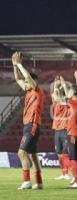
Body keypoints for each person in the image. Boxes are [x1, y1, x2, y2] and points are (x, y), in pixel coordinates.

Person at [12, 52, 44, 190]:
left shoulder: (37, 91)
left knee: (21, 153)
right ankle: (39, 182)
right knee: (32, 155)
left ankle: (27, 181)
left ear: (33, 82)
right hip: (29, 125)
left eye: (27, 82)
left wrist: (20, 64)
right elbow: (18, 78)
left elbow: (27, 78)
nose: (24, 84)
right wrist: (15, 66)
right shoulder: (29, 91)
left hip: (32, 124)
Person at [59, 76, 77, 188]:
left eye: (69, 91)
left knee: (71, 157)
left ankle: (76, 180)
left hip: (73, 132)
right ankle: (75, 178)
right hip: (75, 132)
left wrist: (62, 86)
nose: (67, 93)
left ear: (73, 92)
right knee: (68, 155)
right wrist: (64, 85)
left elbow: (61, 99)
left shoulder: (74, 102)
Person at [51, 76, 71, 181]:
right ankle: (63, 173)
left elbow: (59, 96)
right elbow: (54, 96)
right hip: (57, 130)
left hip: (65, 129)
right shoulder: (56, 102)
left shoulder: (66, 101)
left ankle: (68, 173)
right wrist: (56, 84)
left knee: (65, 153)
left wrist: (60, 84)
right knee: (59, 153)